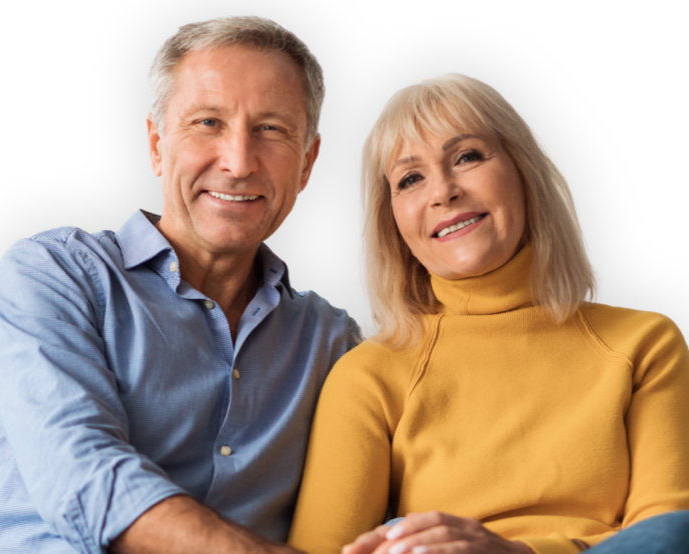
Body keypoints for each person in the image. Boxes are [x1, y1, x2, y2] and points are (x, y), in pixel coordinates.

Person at [0, 13, 359, 554]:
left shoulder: (334, 343)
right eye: (208, 122)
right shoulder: (54, 274)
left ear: (307, 163)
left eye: (271, 129)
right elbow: (85, 477)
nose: (237, 162)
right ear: (156, 144)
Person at [287, 71, 689, 553]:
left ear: (524, 172)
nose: (442, 191)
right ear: (391, 224)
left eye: (467, 157)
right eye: (411, 178)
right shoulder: (368, 377)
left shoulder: (644, 341)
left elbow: (666, 531)